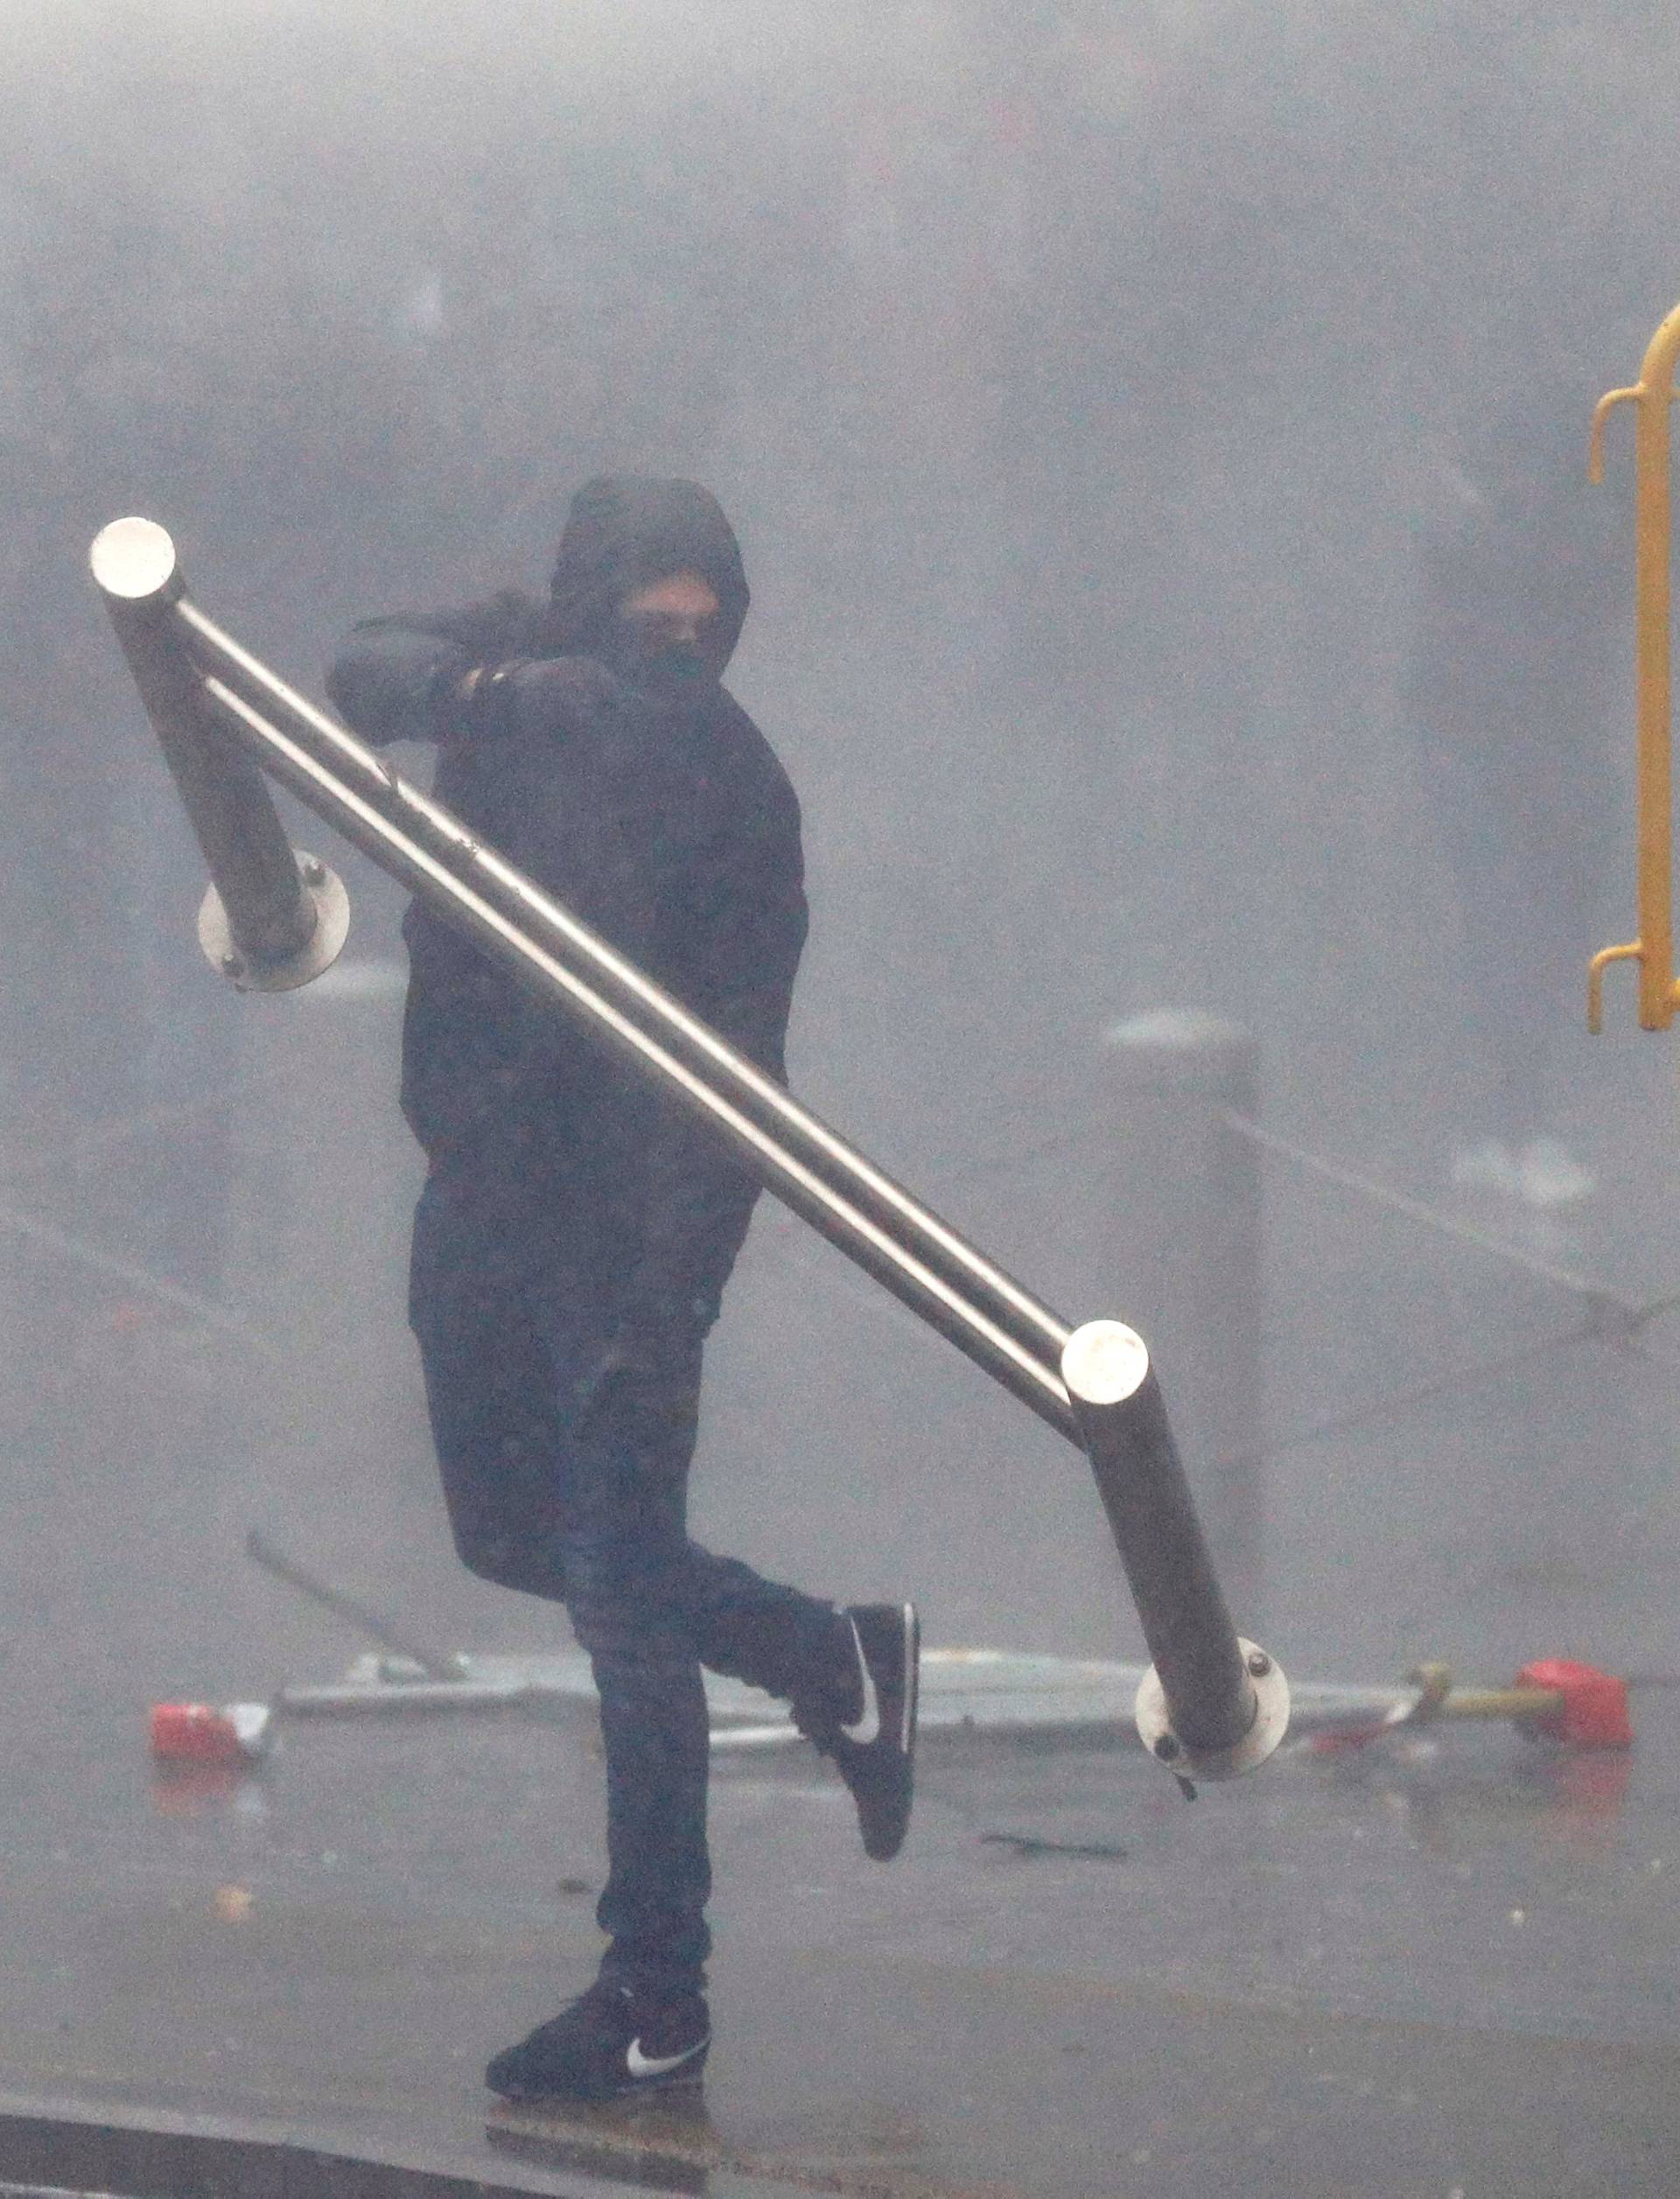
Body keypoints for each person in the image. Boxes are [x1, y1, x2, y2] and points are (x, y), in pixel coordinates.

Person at [326, 475, 919, 2104]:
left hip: (625, 1232)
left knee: (617, 1591)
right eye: (646, 623)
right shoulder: (513, 678)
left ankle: (659, 1992)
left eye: (702, 629)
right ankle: (827, 1655)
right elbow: (351, 672)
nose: (676, 653)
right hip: (480, 1189)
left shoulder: (735, 783)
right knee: (514, 1536)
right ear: (587, 607)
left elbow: (744, 1070)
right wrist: (492, 692)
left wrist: (667, 1296)